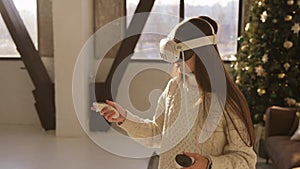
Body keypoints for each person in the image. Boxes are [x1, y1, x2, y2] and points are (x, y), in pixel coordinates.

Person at [98, 16, 257, 169]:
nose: (175, 61)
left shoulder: (226, 100)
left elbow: (245, 159)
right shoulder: (173, 88)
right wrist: (124, 118)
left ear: (202, 54)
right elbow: (156, 133)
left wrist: (209, 164)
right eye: (173, 54)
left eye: (182, 54)